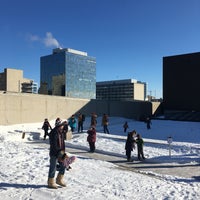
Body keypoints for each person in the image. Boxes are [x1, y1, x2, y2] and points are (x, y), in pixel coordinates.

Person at [47, 119, 66, 189]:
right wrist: (59, 153)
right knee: (53, 167)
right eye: (62, 125)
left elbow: (62, 143)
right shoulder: (54, 132)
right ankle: (50, 182)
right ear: (59, 126)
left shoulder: (60, 132)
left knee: (64, 165)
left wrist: (63, 152)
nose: (63, 127)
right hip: (54, 153)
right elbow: (54, 145)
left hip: (61, 152)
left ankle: (59, 179)